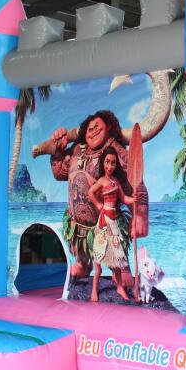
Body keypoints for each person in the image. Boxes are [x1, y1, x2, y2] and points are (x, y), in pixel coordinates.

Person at [50, 111, 130, 290]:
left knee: (114, 248)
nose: (92, 131)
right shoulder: (77, 149)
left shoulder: (116, 150)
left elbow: (134, 181)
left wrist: (140, 216)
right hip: (78, 223)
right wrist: (58, 151)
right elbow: (59, 173)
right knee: (79, 250)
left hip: (106, 219)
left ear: (109, 127)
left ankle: (121, 267)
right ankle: (83, 262)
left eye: (97, 127)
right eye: (89, 129)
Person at [87, 147, 135, 302]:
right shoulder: (102, 181)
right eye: (107, 162)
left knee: (117, 258)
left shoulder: (116, 181)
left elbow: (124, 198)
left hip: (113, 224)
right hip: (103, 223)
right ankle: (94, 290)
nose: (109, 166)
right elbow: (90, 193)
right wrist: (98, 204)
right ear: (103, 163)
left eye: (113, 163)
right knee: (98, 263)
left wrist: (134, 199)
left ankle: (120, 287)